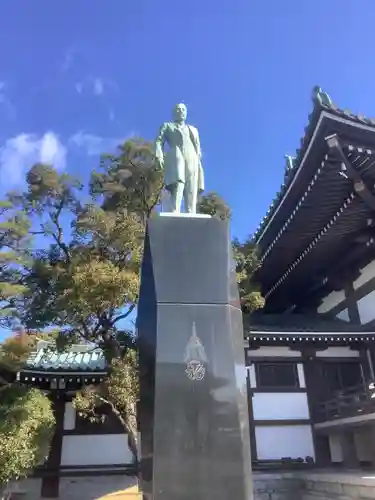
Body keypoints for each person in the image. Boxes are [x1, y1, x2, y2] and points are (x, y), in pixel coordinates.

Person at [155, 103, 204, 213]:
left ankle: (191, 212)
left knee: (191, 185)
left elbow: (198, 148)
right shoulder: (167, 126)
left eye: (183, 109)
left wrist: (198, 162)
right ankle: (175, 210)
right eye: (178, 109)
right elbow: (159, 141)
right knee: (178, 183)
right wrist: (159, 155)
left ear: (186, 113)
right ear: (173, 113)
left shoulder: (193, 129)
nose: (180, 111)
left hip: (192, 157)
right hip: (176, 155)